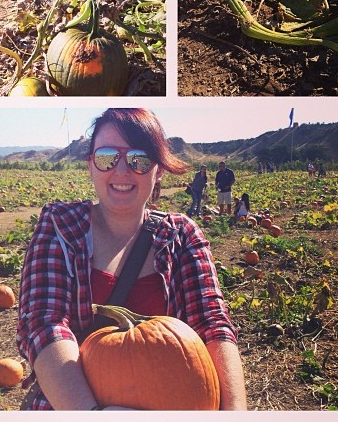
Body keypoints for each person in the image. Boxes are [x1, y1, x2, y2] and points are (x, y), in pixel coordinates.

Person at [17, 109, 247, 411]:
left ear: (159, 170)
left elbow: (212, 325)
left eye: (139, 159)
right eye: (106, 157)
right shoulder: (60, 226)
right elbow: (44, 326)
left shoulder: (181, 236)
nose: (122, 171)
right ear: (90, 165)